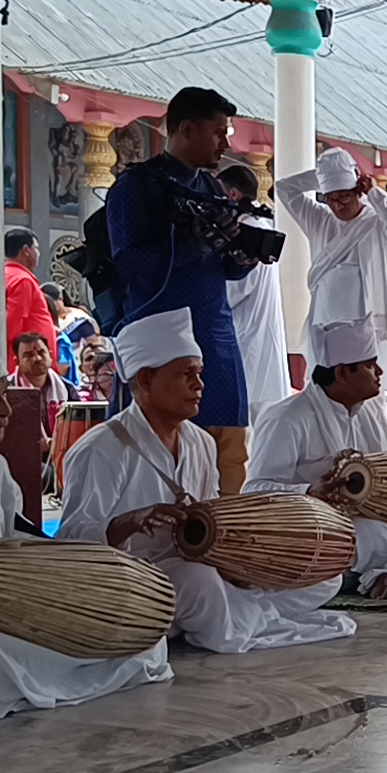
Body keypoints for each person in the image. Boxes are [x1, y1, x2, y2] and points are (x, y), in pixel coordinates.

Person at [0, 326, 171, 718]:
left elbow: (20, 544)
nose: (5, 410)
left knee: (141, 636)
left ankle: (23, 684)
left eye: (3, 395)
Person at [58, 309, 356, 653]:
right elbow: (71, 541)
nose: (199, 385)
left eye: (199, 374)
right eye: (185, 374)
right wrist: (127, 523)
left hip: (200, 571)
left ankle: (240, 612)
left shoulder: (200, 442)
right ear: (145, 381)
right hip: (134, 583)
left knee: (325, 576)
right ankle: (234, 620)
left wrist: (236, 554)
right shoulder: (101, 449)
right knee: (197, 581)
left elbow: (211, 515)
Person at [246, 322, 387, 600]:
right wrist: (309, 493)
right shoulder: (287, 418)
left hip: (372, 517)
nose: (380, 372)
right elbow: (253, 489)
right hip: (312, 525)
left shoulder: (371, 412)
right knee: (372, 534)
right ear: (343, 373)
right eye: (370, 365)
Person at [106, 87, 260, 495]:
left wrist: (240, 257)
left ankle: (227, 543)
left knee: (227, 453)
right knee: (154, 455)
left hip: (214, 334)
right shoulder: (136, 187)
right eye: (218, 132)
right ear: (186, 129)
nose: (226, 144)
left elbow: (222, 268)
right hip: (161, 338)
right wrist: (197, 245)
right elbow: (130, 261)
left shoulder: (210, 188)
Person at [274, 147, 387, 386]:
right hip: (327, 324)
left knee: (371, 398)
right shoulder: (318, 218)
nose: (337, 205)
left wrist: (374, 192)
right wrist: (325, 175)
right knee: (326, 396)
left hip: (369, 328)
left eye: (343, 197)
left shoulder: (377, 222)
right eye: (330, 198)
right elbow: (284, 188)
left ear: (357, 191)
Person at [214, 165, 293, 423]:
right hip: (259, 346)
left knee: (247, 437)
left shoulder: (246, 236)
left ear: (234, 195)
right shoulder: (261, 228)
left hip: (247, 346)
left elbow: (229, 293)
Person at [3, 228, 57, 375]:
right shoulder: (22, 280)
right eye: (36, 249)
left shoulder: (7, 275)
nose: (38, 254)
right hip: (29, 367)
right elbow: (12, 325)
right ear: (26, 250)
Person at [9, 332, 79, 441]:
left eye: (41, 352)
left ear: (51, 356)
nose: (37, 358)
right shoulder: (8, 390)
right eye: (28, 355)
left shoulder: (67, 389)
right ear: (17, 362)